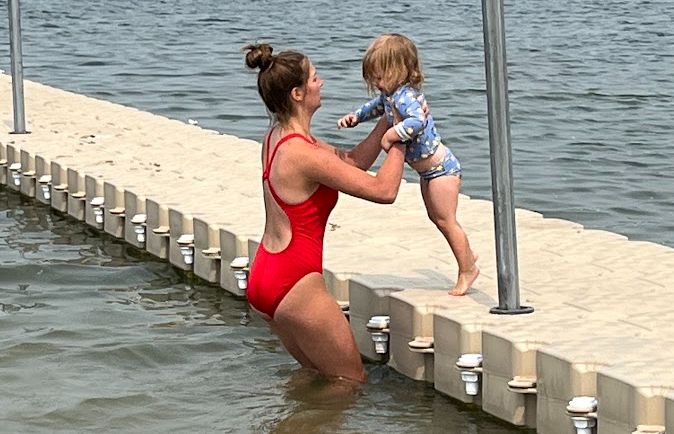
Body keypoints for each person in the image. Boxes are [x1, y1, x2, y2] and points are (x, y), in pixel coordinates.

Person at [243, 43, 407, 383]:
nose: (322, 83)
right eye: (315, 78)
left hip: (266, 275)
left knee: (319, 378)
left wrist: (388, 121)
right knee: (351, 382)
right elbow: (384, 190)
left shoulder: (278, 138)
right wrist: (404, 137)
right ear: (298, 93)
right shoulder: (304, 155)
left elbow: (352, 163)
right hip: (295, 282)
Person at [337, 33, 479, 296]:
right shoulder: (390, 95)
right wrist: (355, 117)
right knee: (437, 218)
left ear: (399, 71)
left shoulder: (405, 97)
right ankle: (467, 256)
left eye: (379, 77)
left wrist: (392, 134)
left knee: (446, 220)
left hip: (442, 170)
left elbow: (417, 122)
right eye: (373, 78)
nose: (376, 83)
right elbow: (374, 108)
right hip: (429, 173)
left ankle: (467, 269)